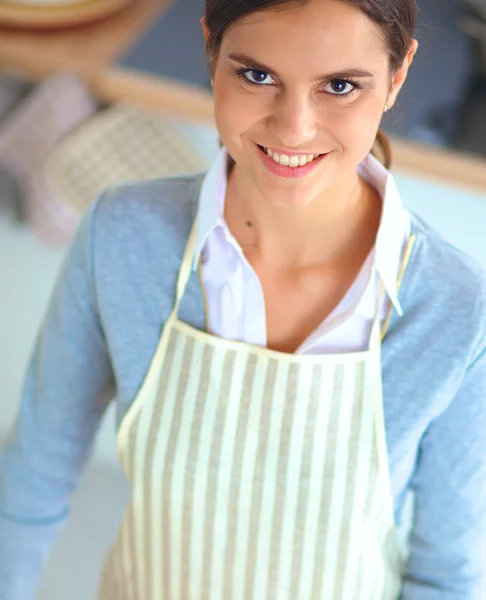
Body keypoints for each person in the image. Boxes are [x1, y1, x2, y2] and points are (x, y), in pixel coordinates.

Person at [1, 0, 486, 598]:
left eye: (339, 86)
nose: (293, 128)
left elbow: (444, 574)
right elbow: (32, 477)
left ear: (398, 74)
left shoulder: (456, 308)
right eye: (257, 75)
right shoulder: (122, 236)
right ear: (212, 51)